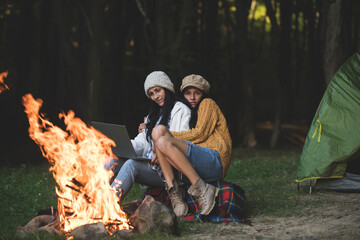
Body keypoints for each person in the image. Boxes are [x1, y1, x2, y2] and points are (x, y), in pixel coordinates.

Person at [149, 74, 232, 218]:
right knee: (158, 133)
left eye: (197, 93)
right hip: (200, 162)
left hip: (215, 159)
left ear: (203, 94)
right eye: (188, 93)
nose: (192, 98)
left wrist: (166, 137)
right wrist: (160, 142)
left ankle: (203, 189)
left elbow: (199, 134)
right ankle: (174, 191)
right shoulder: (190, 113)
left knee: (161, 138)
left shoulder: (208, 103)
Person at [105, 71, 191, 200]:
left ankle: (108, 206)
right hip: (150, 164)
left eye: (158, 90)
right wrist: (116, 146)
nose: (156, 96)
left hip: (170, 169)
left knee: (132, 164)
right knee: (112, 160)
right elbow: (140, 143)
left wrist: (161, 152)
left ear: (166, 88)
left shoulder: (181, 110)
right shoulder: (153, 116)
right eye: (151, 94)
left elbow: (183, 141)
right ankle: (92, 201)